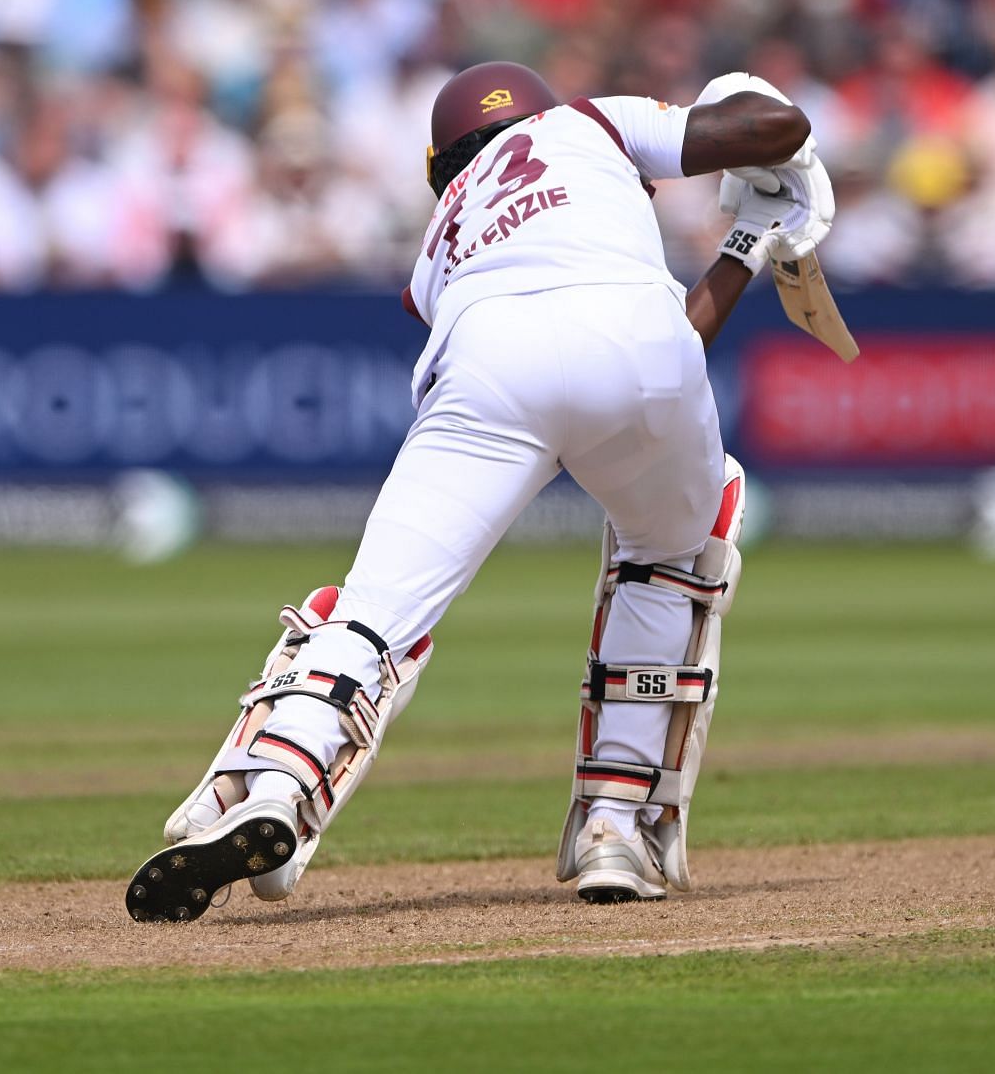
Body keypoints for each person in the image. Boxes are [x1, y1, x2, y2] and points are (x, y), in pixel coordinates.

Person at [128, 61, 834, 920]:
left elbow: (547, 347)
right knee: (677, 550)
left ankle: (271, 783)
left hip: (488, 366)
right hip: (646, 352)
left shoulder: (439, 238)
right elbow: (779, 127)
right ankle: (618, 821)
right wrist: (754, 228)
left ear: (442, 166)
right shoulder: (590, 121)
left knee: (375, 612)